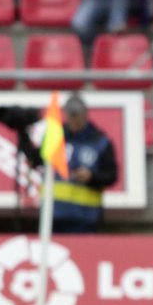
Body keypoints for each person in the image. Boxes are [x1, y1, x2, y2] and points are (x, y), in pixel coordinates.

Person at [53, 94, 120, 234]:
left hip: (85, 218)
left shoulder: (100, 142)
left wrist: (91, 177)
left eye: (77, 117)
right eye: (71, 117)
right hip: (53, 216)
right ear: (65, 114)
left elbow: (112, 175)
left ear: (85, 115)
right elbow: (37, 161)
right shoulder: (54, 139)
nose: (74, 122)